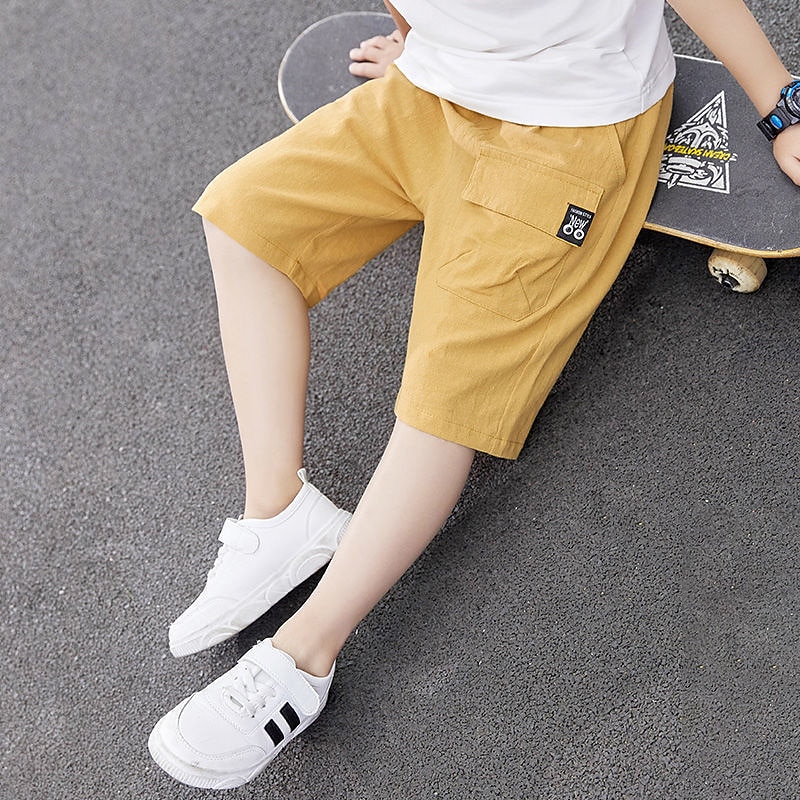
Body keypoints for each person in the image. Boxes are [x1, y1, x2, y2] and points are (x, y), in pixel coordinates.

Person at [148, 0, 800, 789]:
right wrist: (421, 42)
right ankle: (279, 513)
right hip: (430, 92)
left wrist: (783, 106)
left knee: (442, 401)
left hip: (568, 134)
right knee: (242, 221)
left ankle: (302, 657)